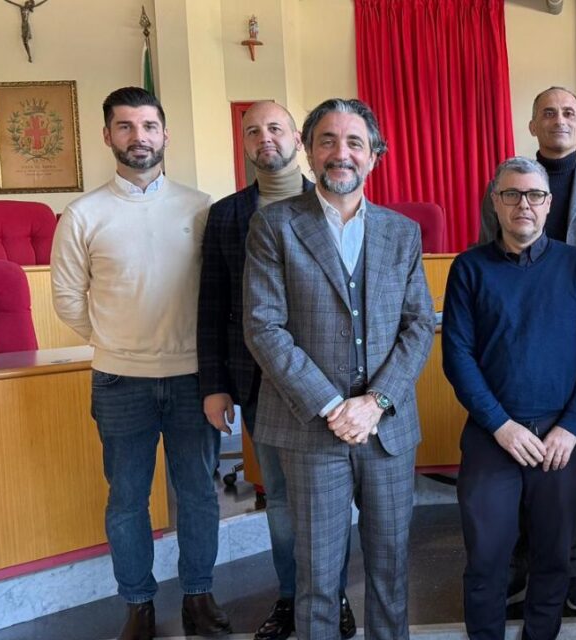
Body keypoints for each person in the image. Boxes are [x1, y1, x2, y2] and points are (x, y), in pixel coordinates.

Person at [243, 98, 435, 640]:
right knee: (317, 578)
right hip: (310, 429)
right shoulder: (274, 225)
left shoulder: (402, 232)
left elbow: (419, 324)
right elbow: (263, 327)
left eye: (354, 142)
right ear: (308, 151)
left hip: (387, 429)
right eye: (327, 140)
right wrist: (333, 406)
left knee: (391, 571)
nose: (341, 152)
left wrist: (375, 402)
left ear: (374, 155)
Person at [51, 86, 231, 640]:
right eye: (125, 126)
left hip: (192, 379)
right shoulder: (83, 214)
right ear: (107, 135)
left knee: (198, 492)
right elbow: (67, 297)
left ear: (165, 134)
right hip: (119, 380)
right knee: (127, 498)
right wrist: (114, 341)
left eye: (149, 126)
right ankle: (138, 605)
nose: (139, 137)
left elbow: (220, 291)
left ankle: (199, 596)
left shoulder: (200, 207)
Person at [196, 100, 357, 640]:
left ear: (300, 141)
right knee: (283, 501)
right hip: (261, 384)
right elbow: (213, 304)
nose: (264, 138)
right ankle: (292, 597)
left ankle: (332, 597)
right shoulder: (227, 215)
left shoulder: (334, 200)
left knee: (330, 501)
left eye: (275, 128)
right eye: (252, 131)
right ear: (243, 143)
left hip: (329, 385)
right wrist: (215, 384)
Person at [479, 86, 576, 612]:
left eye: (569, 112)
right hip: (519, 351)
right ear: (533, 125)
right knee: (522, 461)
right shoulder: (506, 183)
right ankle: (526, 561)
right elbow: (492, 263)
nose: (559, 120)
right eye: (548, 112)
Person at [446, 156, 576, 639]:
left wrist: (571, 427)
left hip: (559, 439)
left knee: (553, 556)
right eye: (512, 194)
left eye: (534, 195)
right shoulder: (469, 268)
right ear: (495, 202)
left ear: (548, 204)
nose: (524, 204)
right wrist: (501, 425)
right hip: (491, 435)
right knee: (486, 558)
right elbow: (457, 356)